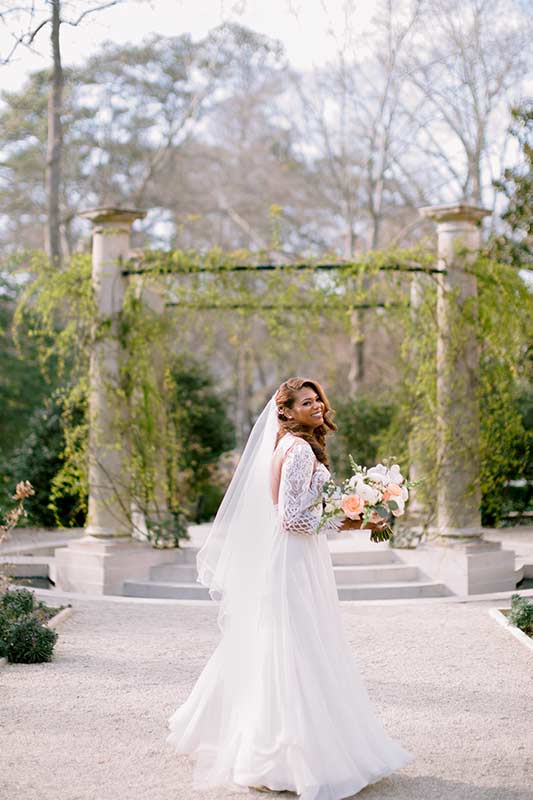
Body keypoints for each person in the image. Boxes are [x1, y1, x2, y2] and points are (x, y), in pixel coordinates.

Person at [166, 377, 414, 799]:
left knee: (281, 645)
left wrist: (351, 509)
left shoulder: (288, 445)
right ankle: (289, 758)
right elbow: (294, 520)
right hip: (295, 559)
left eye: (317, 399)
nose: (316, 405)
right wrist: (357, 521)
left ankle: (251, 740)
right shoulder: (298, 450)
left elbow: (300, 512)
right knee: (298, 649)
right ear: (285, 412)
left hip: (295, 557)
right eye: (305, 401)